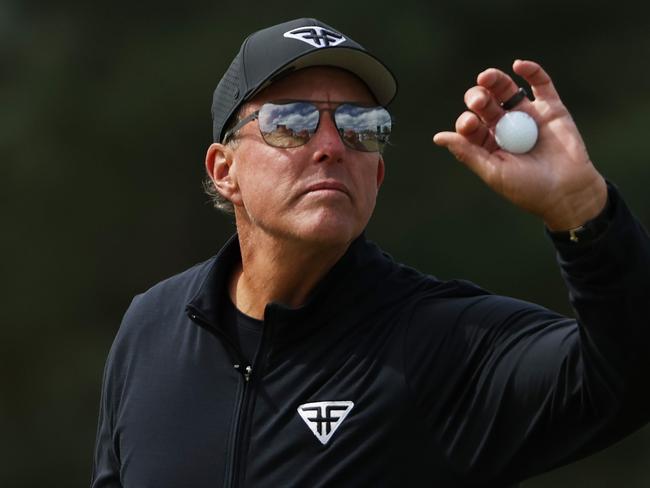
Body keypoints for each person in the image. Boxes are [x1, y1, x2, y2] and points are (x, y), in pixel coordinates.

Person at [91, 17, 650, 488]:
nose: (332, 147)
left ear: (376, 175)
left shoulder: (441, 342)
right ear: (224, 169)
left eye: (361, 127)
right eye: (291, 122)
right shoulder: (150, 326)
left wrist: (583, 210)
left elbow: (627, 377)